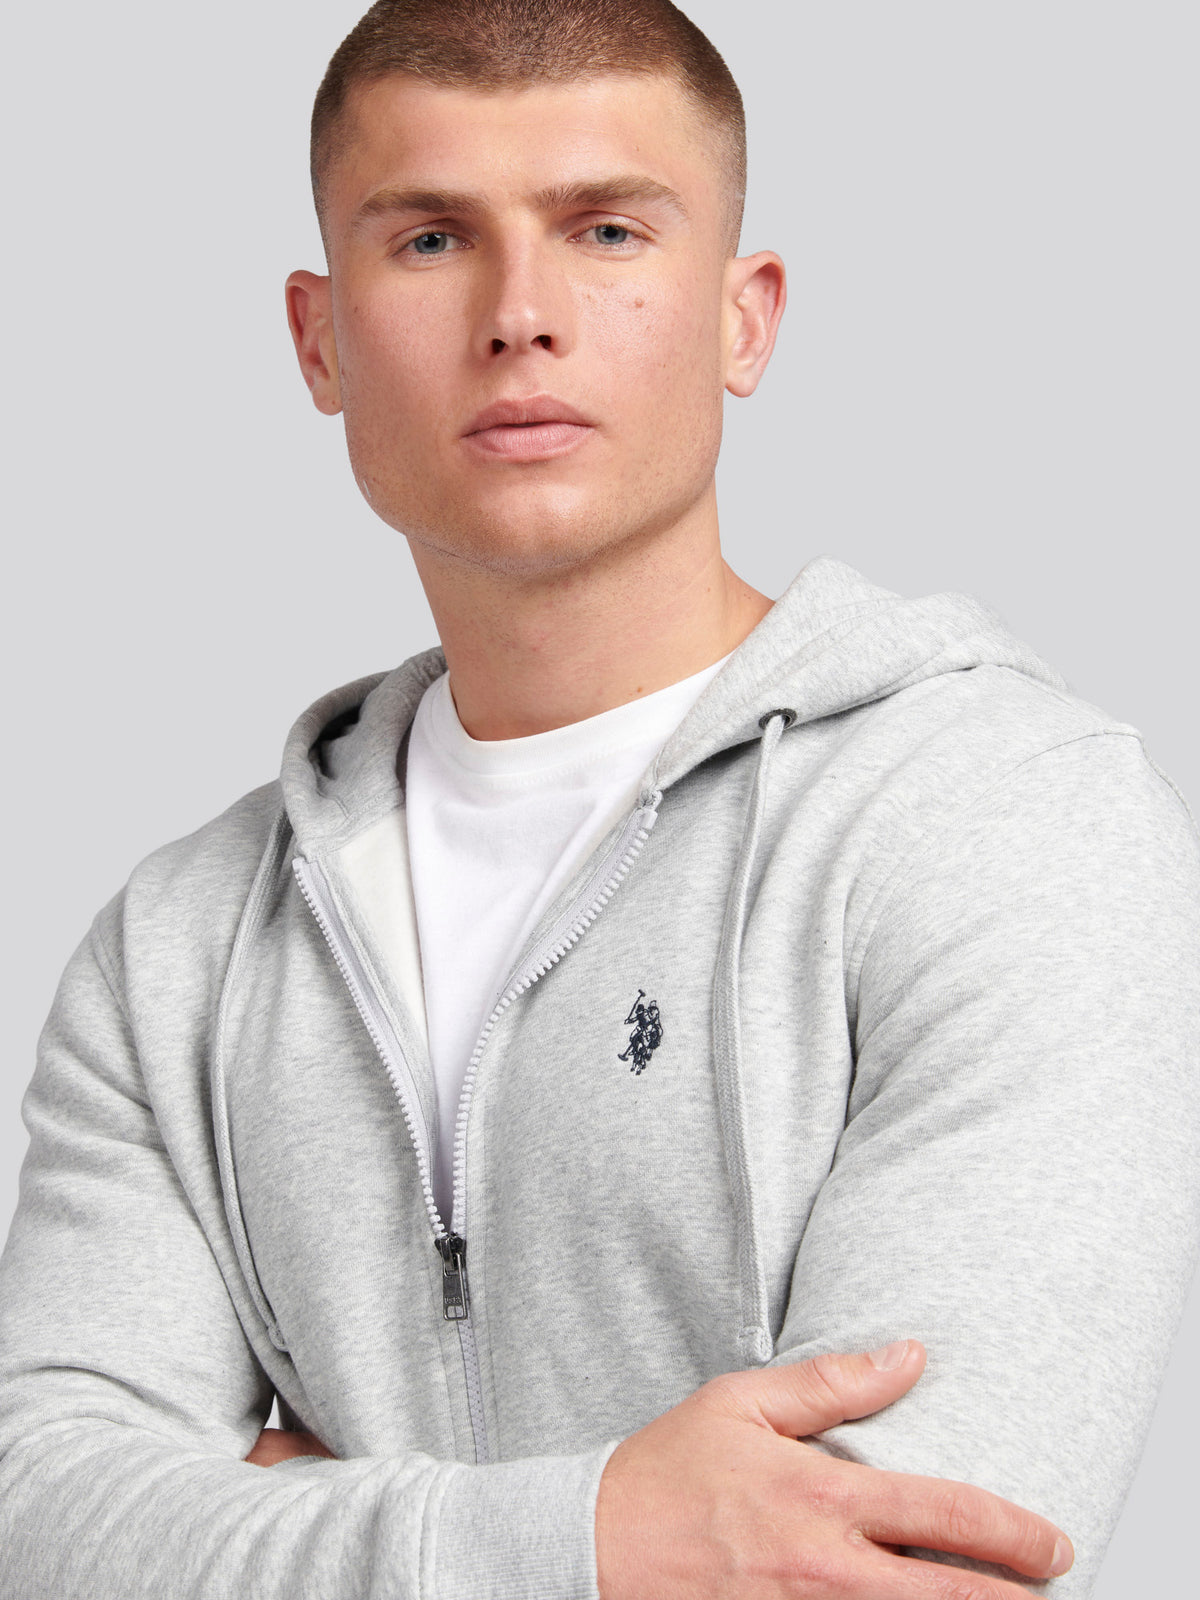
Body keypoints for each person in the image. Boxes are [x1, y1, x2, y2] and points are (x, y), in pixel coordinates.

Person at [1, 0, 1197, 1595]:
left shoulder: (1005, 822)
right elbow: (40, 1521)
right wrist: (594, 1535)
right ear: (319, 339)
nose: (521, 317)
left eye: (608, 231)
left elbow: (919, 1562)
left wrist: (278, 1511)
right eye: (431, 240)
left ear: (743, 321)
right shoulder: (180, 950)